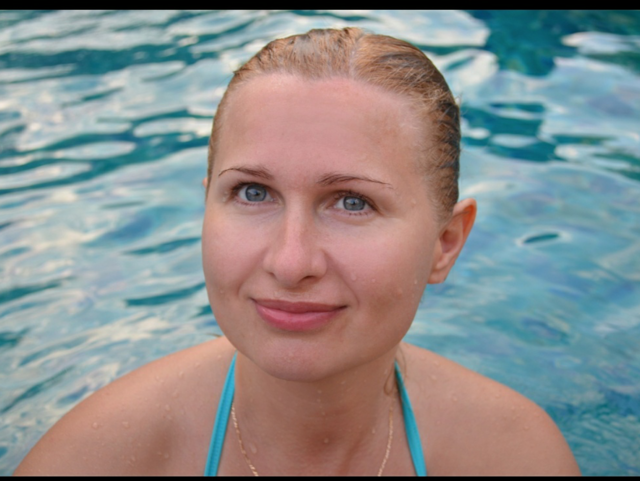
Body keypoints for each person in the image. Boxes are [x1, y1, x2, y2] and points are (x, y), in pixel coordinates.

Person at [14, 27, 581, 476]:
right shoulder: (100, 459)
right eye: (253, 193)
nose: (290, 263)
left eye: (353, 203)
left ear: (445, 243)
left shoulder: (513, 457)